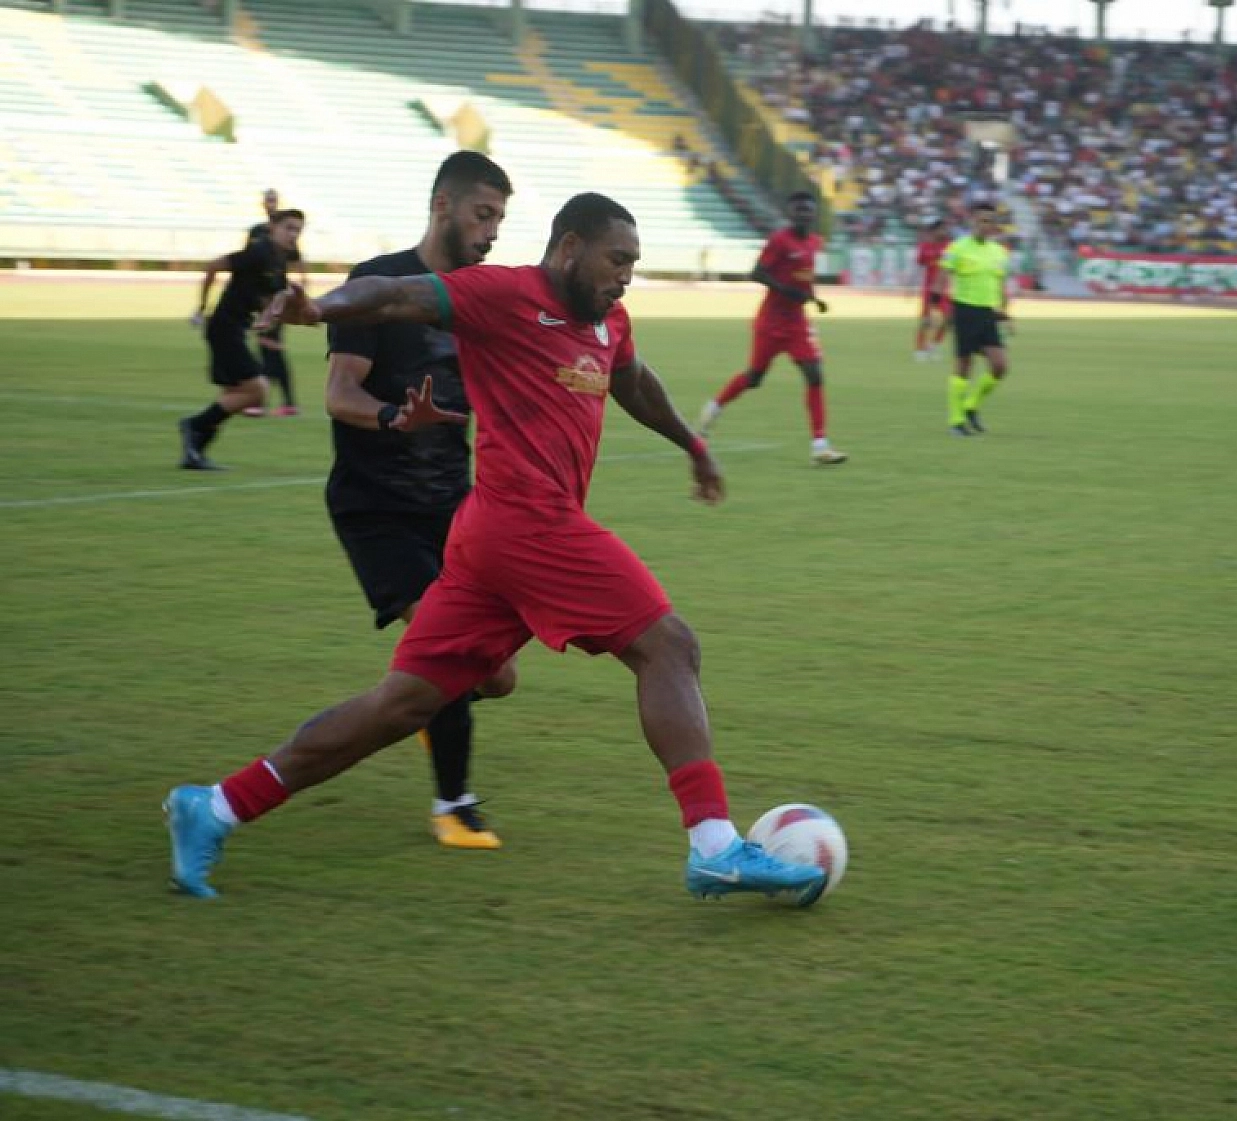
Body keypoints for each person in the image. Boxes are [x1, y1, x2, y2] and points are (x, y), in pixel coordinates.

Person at [163, 192, 827, 905]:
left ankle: (216, 805)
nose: (625, 276)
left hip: (487, 540)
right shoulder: (502, 293)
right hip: (526, 521)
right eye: (617, 260)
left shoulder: (608, 320)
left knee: (400, 705)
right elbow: (392, 294)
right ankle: (716, 846)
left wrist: (692, 444)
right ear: (569, 247)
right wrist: (319, 309)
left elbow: (631, 379)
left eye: (634, 264)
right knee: (669, 646)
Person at [325, 151, 519, 849]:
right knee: (456, 649)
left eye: (500, 217)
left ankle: (423, 710)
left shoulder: (481, 296)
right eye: (482, 213)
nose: (492, 230)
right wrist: (392, 418)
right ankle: (454, 806)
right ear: (443, 205)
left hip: (454, 508)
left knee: (499, 677)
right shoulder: (376, 283)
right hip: (377, 506)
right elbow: (340, 393)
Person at [696, 191, 848, 466]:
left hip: (798, 323)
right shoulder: (779, 240)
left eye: (808, 210)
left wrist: (814, 299)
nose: (803, 214)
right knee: (754, 378)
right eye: (798, 210)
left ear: (814, 214)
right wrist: (788, 291)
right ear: (790, 213)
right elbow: (757, 272)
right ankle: (714, 407)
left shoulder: (815, 242)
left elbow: (803, 277)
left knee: (814, 374)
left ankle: (820, 444)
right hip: (771, 322)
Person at [179, 209, 305, 469]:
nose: (294, 235)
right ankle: (194, 425)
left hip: (237, 329)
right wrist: (202, 306)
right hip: (225, 328)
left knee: (235, 392)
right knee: (257, 389)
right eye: (289, 228)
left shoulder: (279, 261)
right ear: (273, 227)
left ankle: (195, 453)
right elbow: (214, 266)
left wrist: (282, 314)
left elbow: (272, 300)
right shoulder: (258, 252)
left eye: (298, 230)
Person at [941, 201, 1012, 436]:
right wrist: (941, 312)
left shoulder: (998, 252)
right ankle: (956, 420)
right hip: (964, 310)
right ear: (972, 221)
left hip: (988, 313)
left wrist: (1006, 311)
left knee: (1000, 365)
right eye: (982, 220)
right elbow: (942, 280)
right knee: (964, 365)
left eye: (990, 221)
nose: (986, 225)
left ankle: (971, 405)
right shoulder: (957, 248)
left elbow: (1000, 283)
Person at [244, 188, 305, 417]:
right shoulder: (257, 231)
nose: (270, 203)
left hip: (275, 297)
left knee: (270, 348)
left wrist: (299, 291)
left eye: (273, 200)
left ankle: (262, 402)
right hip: (260, 297)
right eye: (267, 200)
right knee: (270, 349)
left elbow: (297, 262)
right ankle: (284, 403)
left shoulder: (284, 232)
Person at [914, 218, 952, 362]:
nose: (945, 232)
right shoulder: (925, 246)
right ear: (934, 231)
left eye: (946, 229)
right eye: (942, 229)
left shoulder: (950, 246)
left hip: (945, 289)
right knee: (927, 320)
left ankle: (935, 345)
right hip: (929, 289)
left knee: (948, 319)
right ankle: (919, 349)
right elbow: (919, 264)